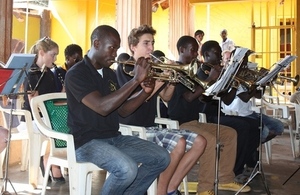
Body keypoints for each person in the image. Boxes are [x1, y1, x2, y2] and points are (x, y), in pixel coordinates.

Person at [64, 25, 170, 195]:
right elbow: (102, 107)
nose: (115, 54)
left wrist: (145, 92)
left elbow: (122, 111)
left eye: (116, 49)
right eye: (111, 48)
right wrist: (135, 80)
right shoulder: (77, 73)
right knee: (127, 169)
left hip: (113, 138)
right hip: (86, 143)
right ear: (96, 43)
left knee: (162, 158)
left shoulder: (109, 74)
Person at [116, 24, 206, 195]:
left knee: (200, 142)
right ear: (133, 47)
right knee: (178, 143)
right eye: (146, 43)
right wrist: (159, 80)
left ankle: (170, 188)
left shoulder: (153, 68)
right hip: (131, 129)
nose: (151, 48)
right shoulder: (126, 68)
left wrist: (170, 80)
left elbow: (166, 97)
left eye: (153, 43)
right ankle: (161, 192)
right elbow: (134, 100)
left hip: (151, 128)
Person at [168, 36, 250, 195]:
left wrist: (217, 82)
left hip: (194, 121)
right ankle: (204, 188)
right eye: (192, 51)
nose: (195, 55)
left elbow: (200, 97)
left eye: (196, 51)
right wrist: (211, 78)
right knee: (209, 140)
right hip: (179, 123)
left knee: (229, 134)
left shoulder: (192, 71)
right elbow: (188, 97)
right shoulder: (175, 71)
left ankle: (225, 179)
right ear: (181, 50)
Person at [195, 40, 260, 184]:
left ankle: (242, 163)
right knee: (242, 127)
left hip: (221, 114)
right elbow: (202, 100)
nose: (220, 56)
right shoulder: (201, 73)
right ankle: (233, 170)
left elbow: (228, 100)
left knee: (254, 126)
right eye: (217, 53)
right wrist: (212, 79)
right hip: (207, 116)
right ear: (206, 54)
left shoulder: (220, 72)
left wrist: (233, 82)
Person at [19, 37, 65, 182]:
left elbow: (53, 100)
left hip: (46, 116)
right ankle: (51, 162)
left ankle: (49, 159)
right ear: (41, 53)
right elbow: (35, 105)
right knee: (62, 126)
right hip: (32, 119)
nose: (55, 58)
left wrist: (64, 92)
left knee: (70, 122)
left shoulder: (49, 73)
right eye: (53, 54)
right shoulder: (31, 74)